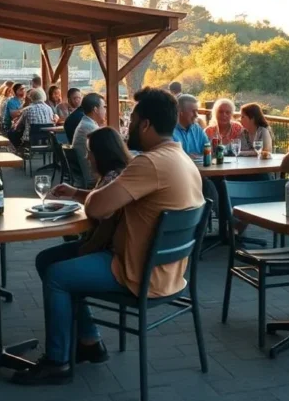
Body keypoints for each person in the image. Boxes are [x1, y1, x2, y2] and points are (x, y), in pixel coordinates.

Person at [13, 88, 204, 385]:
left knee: (56, 275)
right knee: (47, 259)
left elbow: (99, 208)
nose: (127, 126)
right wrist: (81, 192)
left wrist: (88, 197)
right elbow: (119, 200)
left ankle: (57, 362)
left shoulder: (149, 163)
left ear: (145, 125)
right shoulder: (179, 158)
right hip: (170, 272)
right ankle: (89, 342)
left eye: (133, 119)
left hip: (136, 271)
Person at [33, 127, 131, 296]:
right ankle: (78, 317)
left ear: (102, 154)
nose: (86, 157)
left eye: (89, 152)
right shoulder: (120, 174)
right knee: (47, 259)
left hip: (110, 254)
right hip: (114, 249)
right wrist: (75, 193)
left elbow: (106, 224)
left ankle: (79, 319)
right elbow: (100, 199)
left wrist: (84, 251)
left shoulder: (112, 180)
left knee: (50, 266)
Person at [70, 93, 106, 186]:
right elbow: (108, 153)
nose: (105, 110)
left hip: (85, 172)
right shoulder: (90, 128)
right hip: (93, 177)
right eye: (104, 107)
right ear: (95, 110)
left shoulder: (86, 123)